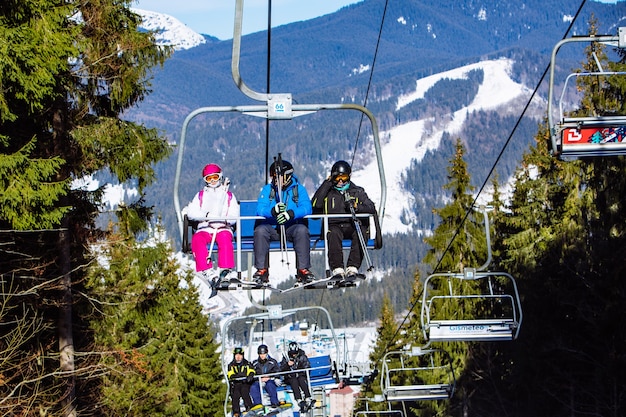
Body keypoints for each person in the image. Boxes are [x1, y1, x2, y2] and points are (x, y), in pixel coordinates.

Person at [253, 159, 315, 285]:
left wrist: (291, 214)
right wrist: (272, 211)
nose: (275, 180)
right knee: (260, 231)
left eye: (278, 177)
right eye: (273, 177)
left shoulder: (298, 190)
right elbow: (260, 209)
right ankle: (262, 270)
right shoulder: (268, 190)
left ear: (287, 176)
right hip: (273, 228)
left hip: (291, 228)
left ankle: (303, 270)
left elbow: (307, 208)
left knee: (302, 230)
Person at [311, 160, 376, 280]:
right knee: (333, 234)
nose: (340, 181)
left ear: (349, 177)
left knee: (361, 231)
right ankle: (337, 269)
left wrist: (357, 207)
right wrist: (326, 184)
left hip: (352, 225)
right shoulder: (328, 193)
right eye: (337, 178)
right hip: (334, 225)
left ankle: (352, 268)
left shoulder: (357, 191)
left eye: (344, 177)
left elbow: (371, 207)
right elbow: (315, 206)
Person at [183, 163, 240, 296]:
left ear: (220, 177)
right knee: (197, 239)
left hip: (222, 227)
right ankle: (207, 271)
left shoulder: (228, 196)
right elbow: (191, 211)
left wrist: (224, 219)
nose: (213, 181)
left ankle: (225, 270)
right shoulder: (201, 196)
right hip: (206, 227)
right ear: (205, 180)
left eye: (215, 177)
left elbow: (234, 214)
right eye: (209, 179)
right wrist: (207, 216)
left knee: (225, 239)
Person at [280, 342, 315, 413]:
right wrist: (287, 365)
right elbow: (282, 369)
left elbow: (307, 366)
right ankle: (299, 399)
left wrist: (300, 371)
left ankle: (308, 397)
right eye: (292, 353)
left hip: (300, 375)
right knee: (294, 381)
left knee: (301, 380)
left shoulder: (302, 356)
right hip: (290, 377)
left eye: (295, 353)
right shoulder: (286, 357)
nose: (294, 355)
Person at [250, 344, 282, 412]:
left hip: (270, 380)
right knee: (253, 387)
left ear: (266, 353)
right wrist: (259, 379)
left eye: (264, 354)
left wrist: (271, 377)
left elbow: (277, 371)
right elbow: (252, 373)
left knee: (270, 385)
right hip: (259, 381)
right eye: (260, 354)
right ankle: (258, 405)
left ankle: (274, 403)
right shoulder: (255, 363)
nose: (262, 356)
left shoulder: (272, 362)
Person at [227, 347, 255, 417]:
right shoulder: (231, 365)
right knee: (235, 394)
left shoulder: (247, 363)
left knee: (244, 391)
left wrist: (250, 375)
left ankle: (249, 407)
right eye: (236, 355)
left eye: (240, 355)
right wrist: (235, 377)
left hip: (245, 383)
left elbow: (251, 370)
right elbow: (230, 373)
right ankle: (236, 412)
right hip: (237, 383)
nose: (238, 357)